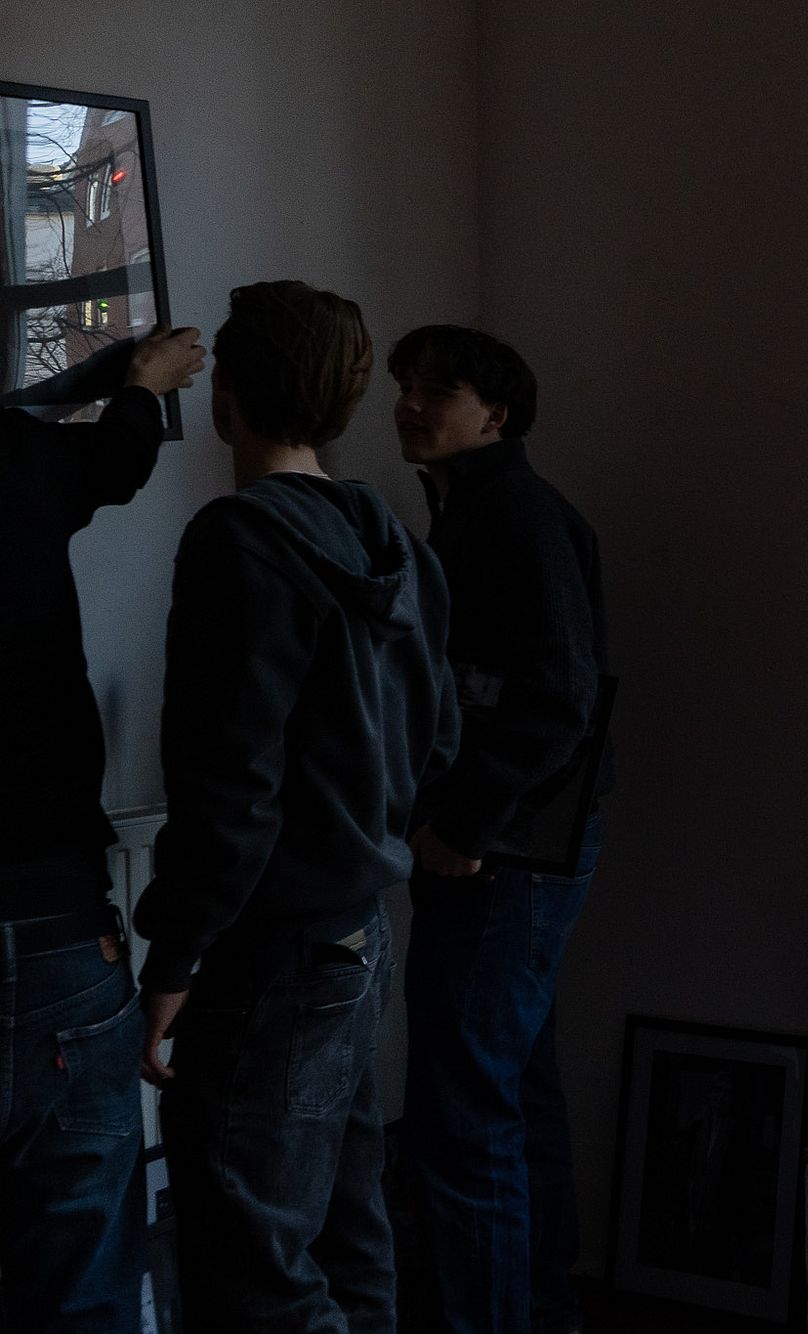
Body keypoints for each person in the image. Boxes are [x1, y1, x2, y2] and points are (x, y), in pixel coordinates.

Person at [132, 280, 456, 1331]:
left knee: (252, 1268)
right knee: (350, 1239)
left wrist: (173, 959)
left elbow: (231, 789)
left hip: (270, 954)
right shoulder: (394, 540)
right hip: (359, 935)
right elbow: (439, 740)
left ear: (226, 388)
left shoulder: (237, 539)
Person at [390, 324, 609, 1334]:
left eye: (438, 389)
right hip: (514, 844)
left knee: (466, 1115)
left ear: (498, 414)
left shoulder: (513, 517)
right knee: (510, 1093)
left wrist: (466, 822)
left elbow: (559, 694)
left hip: (502, 850)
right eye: (406, 384)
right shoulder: (484, 512)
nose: (410, 403)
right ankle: (540, 1310)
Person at [0, 325, 202, 1333]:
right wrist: (143, 385)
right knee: (81, 1286)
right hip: (50, 916)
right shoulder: (14, 458)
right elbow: (113, 463)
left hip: (51, 922)